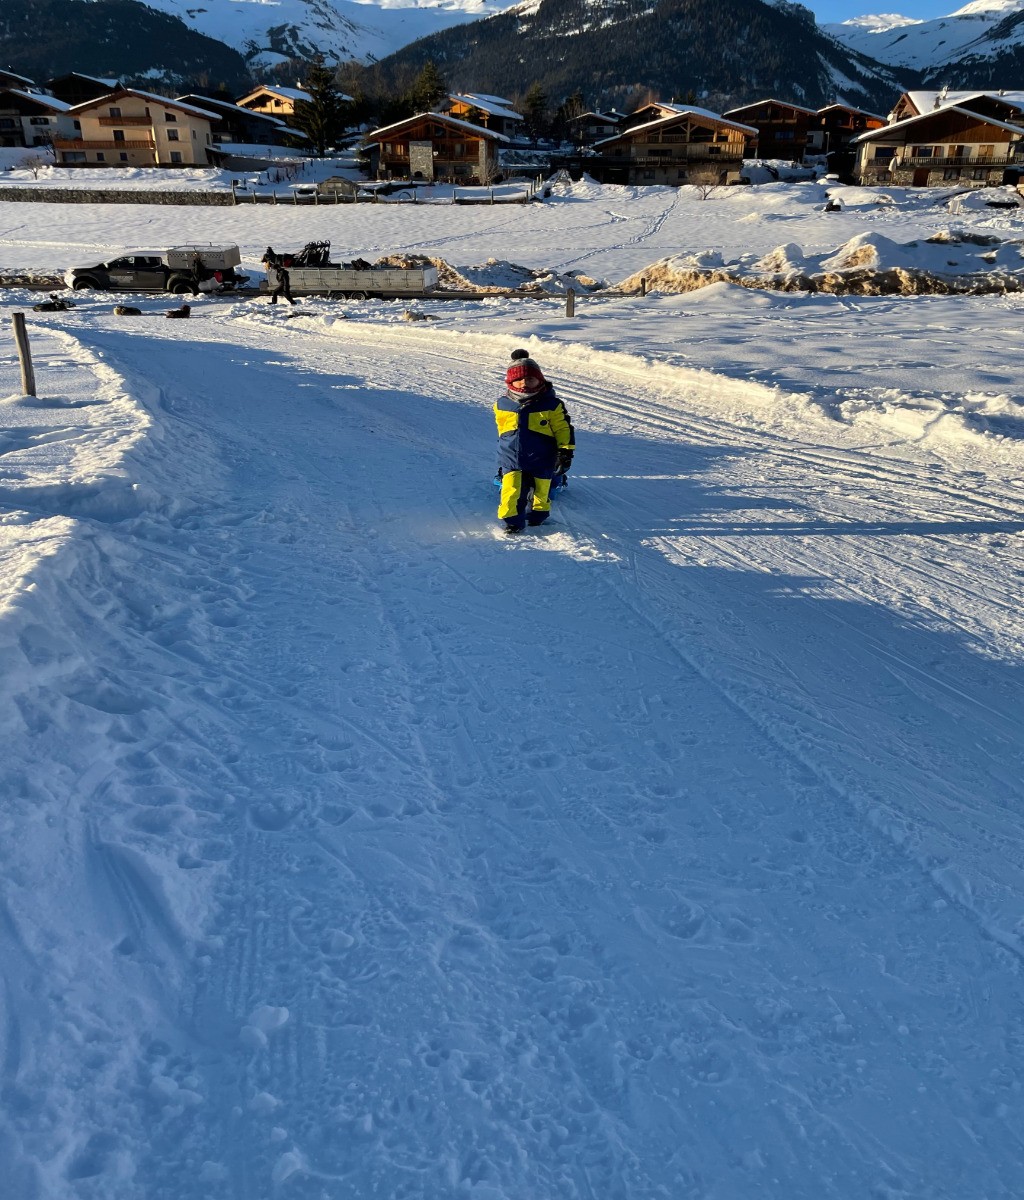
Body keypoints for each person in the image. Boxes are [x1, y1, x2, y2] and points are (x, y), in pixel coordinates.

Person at [493, 349, 575, 534]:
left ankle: (537, 517)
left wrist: (565, 451)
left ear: (540, 380)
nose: (524, 384)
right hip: (511, 457)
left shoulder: (551, 405)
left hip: (542, 456)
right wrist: (505, 445)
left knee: (541, 491)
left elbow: (563, 428)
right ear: (510, 382)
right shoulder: (502, 404)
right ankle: (512, 521)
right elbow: (502, 427)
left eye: (530, 379)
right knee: (510, 491)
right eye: (519, 380)